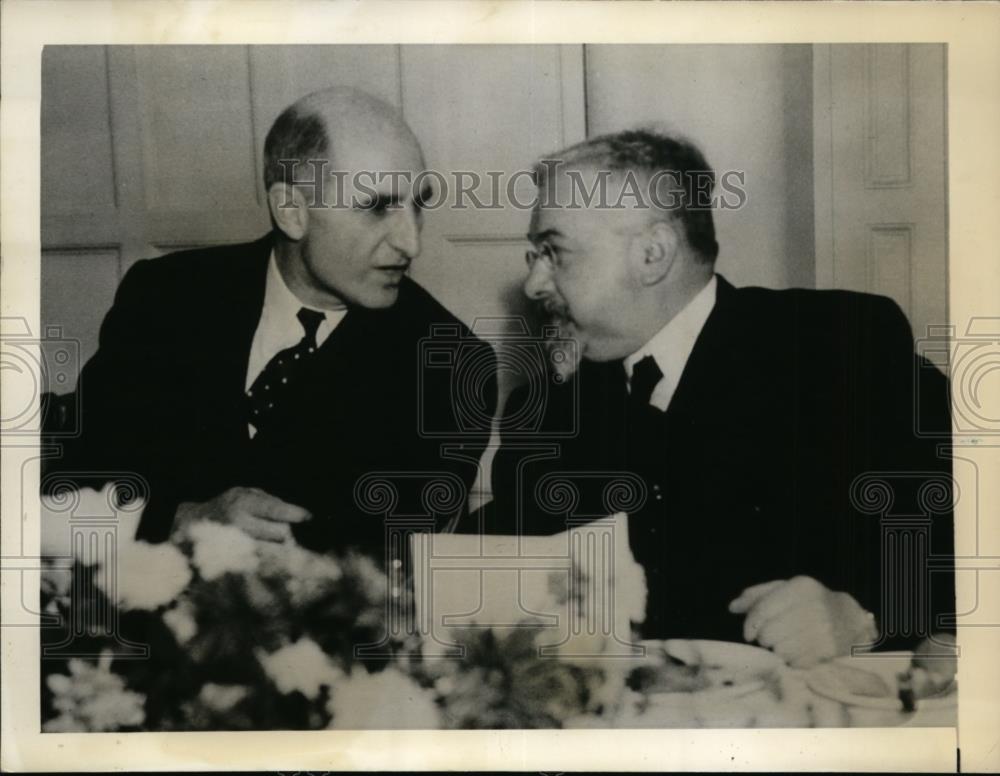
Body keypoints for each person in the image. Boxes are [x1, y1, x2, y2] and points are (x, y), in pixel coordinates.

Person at [486, 128, 954, 667]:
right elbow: (508, 569)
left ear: (652, 255)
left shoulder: (839, 346)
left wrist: (866, 614)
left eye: (554, 251)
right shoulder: (544, 407)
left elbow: (965, 525)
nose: (533, 285)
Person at [49, 86, 496, 559]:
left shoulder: (450, 365)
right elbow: (77, 479)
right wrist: (176, 519)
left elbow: (370, 565)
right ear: (291, 210)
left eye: (417, 206)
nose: (411, 243)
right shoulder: (165, 297)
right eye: (377, 207)